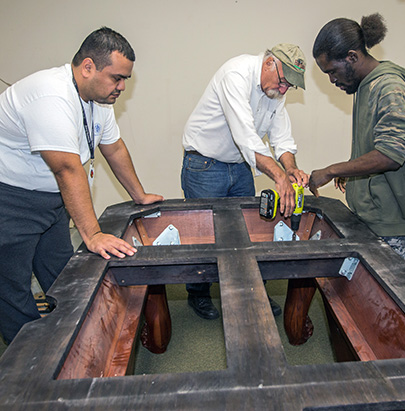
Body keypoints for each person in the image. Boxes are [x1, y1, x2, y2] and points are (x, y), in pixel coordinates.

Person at [0, 27, 164, 344]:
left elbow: (113, 148)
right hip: (10, 200)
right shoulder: (50, 95)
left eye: (126, 80)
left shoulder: (97, 99)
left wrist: (139, 195)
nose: (121, 87)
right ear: (87, 66)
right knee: (12, 288)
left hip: (50, 201)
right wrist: (92, 234)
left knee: (64, 275)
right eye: (116, 77)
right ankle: (33, 361)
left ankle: (71, 342)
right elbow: (67, 169)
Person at [181, 44, 309, 319]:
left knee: (250, 234)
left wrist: (290, 169)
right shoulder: (235, 74)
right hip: (204, 164)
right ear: (270, 63)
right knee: (204, 236)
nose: (284, 90)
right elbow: (247, 138)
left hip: (239, 166)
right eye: (284, 81)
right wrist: (278, 176)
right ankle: (198, 295)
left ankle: (252, 292)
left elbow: (281, 136)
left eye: (290, 87)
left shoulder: (275, 90)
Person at [309, 13, 405, 263]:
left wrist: (331, 170)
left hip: (389, 220)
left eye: (332, 71)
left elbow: (391, 154)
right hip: (370, 213)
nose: (332, 80)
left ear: (352, 56)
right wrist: (350, 172)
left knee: (388, 295)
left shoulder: (389, 86)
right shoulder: (364, 86)